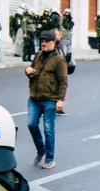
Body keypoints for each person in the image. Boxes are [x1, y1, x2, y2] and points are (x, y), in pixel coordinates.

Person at [25, 30, 68, 170]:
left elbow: (63, 81)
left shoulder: (59, 60)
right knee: (31, 125)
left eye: (47, 41)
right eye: (42, 41)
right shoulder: (38, 55)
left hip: (50, 99)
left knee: (48, 129)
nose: (44, 43)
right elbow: (32, 69)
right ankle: (41, 150)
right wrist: (28, 70)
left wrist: (61, 100)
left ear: (53, 42)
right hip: (34, 97)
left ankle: (49, 159)